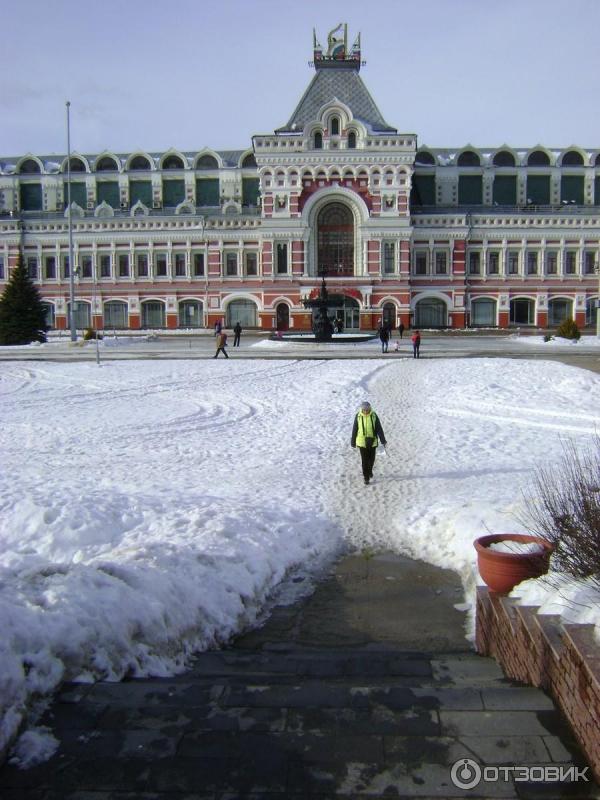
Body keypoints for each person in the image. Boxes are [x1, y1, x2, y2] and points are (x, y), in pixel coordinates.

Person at [351, 401, 387, 485]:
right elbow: (354, 429)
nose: (366, 411)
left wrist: (383, 440)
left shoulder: (374, 416)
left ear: (370, 408)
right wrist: (353, 441)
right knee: (364, 460)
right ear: (362, 409)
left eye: (367, 409)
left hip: (372, 441)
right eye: (364, 409)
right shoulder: (358, 416)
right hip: (362, 442)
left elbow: (379, 428)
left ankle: (370, 470)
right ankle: (366, 477)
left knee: (371, 459)